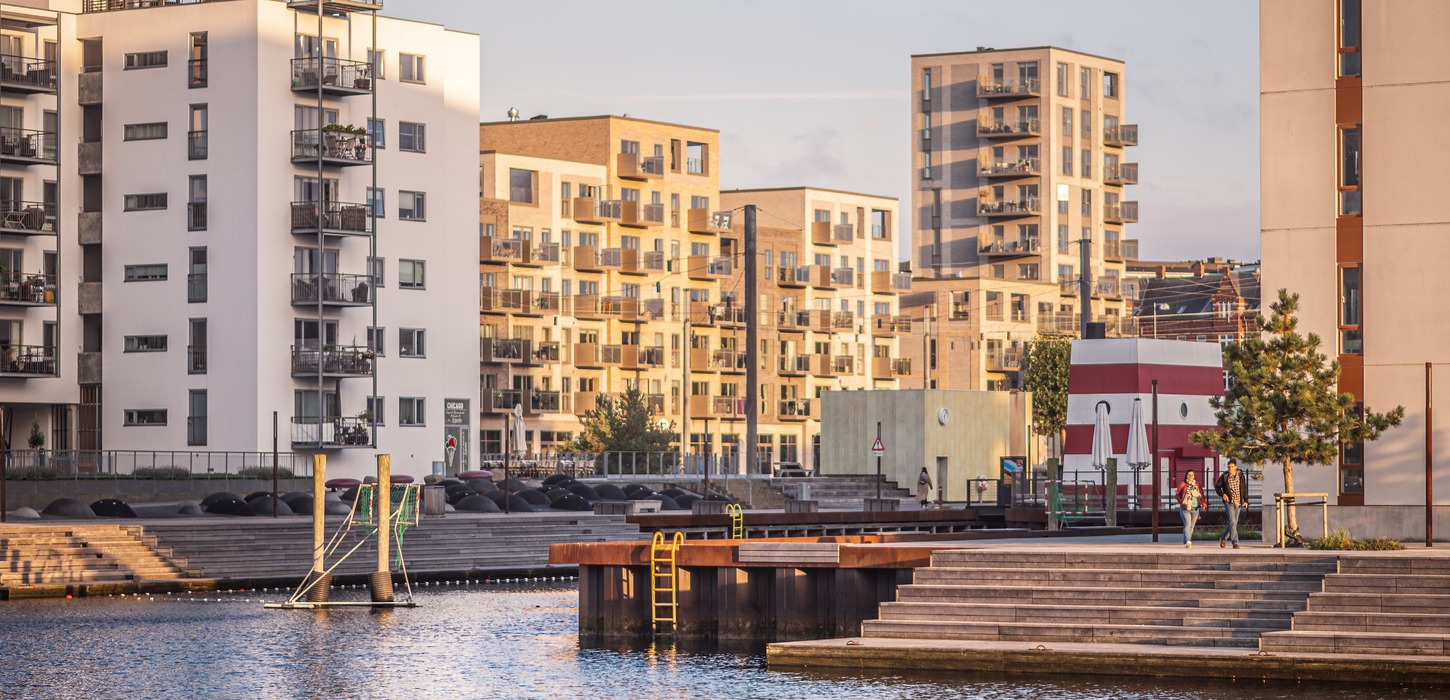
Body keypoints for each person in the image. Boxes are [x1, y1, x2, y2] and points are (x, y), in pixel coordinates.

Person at [1215, 459, 1249, 549]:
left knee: (1233, 524)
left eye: (1232, 467)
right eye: (1229, 467)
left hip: (1238, 502)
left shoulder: (1241, 475)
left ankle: (1223, 539)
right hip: (1229, 502)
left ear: (1236, 467)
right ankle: (1235, 542)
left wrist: (1246, 500)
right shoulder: (1224, 476)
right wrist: (1223, 494)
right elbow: (1217, 487)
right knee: (1232, 522)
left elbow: (1244, 488)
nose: (1230, 468)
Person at [1174, 471, 1207, 547]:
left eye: (1192, 475)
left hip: (1195, 508)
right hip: (1185, 508)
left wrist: (1203, 503)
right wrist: (1182, 502)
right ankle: (1188, 541)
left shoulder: (1197, 485)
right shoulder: (1183, 484)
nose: (1190, 476)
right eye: (1189, 475)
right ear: (1186, 476)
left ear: (1194, 476)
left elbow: (1201, 495)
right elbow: (1177, 495)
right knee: (1187, 524)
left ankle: (1186, 542)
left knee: (1191, 526)